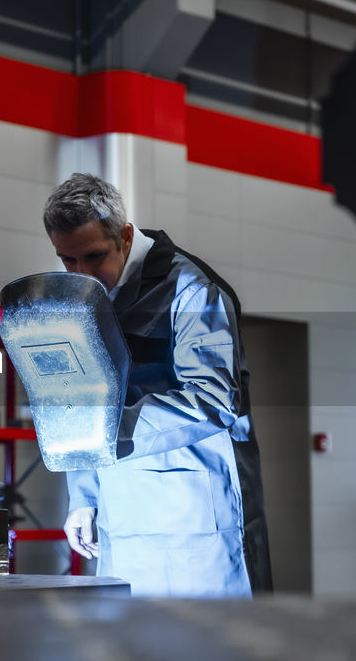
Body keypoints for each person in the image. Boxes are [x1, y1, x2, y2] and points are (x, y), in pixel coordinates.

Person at [43, 173, 271, 598]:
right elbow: (85, 399)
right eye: (68, 261)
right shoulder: (84, 301)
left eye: (94, 256)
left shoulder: (192, 291)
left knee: (215, 655)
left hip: (197, 517)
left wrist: (106, 434)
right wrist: (84, 495)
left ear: (126, 236)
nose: (83, 274)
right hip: (122, 515)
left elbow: (213, 399)